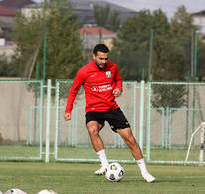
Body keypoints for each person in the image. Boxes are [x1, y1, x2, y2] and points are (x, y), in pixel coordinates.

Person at [64, 44, 155, 183]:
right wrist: (68, 110)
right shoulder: (84, 72)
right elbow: (74, 90)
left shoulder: (113, 67)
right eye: (101, 58)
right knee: (92, 129)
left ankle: (145, 173)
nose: (104, 62)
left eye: (106, 58)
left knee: (130, 140)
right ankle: (105, 164)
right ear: (93, 56)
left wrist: (119, 89)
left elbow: (118, 80)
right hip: (94, 110)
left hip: (112, 109)